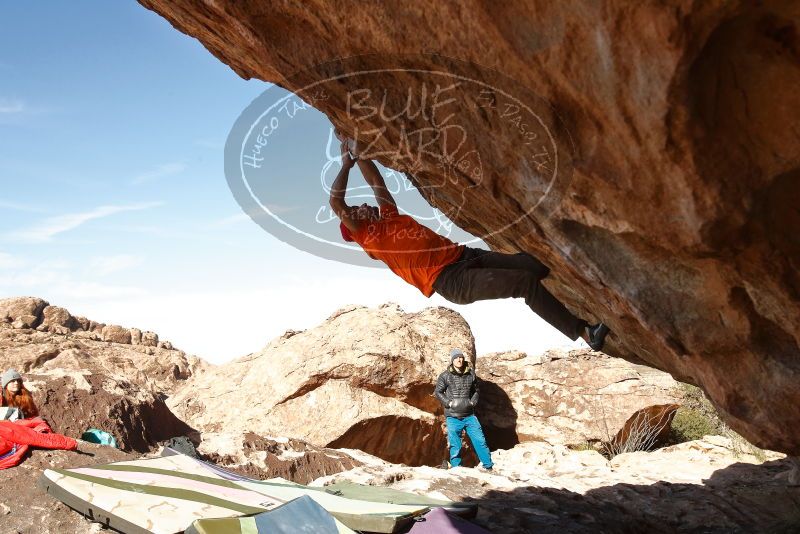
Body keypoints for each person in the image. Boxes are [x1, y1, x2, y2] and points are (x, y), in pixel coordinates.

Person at [328, 131, 611, 351]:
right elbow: (336, 201)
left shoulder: (388, 215)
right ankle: (586, 334)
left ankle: (576, 302)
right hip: (450, 281)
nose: (362, 205)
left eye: (360, 204)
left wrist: (355, 148)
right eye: (355, 211)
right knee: (524, 284)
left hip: (465, 255)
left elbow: (376, 180)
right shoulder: (369, 240)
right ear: (353, 228)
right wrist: (345, 166)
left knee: (533, 265)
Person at [434, 348, 492, 470]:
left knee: (480, 440)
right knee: (455, 445)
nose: (459, 360)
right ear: (452, 360)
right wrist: (448, 403)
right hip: (453, 416)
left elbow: (476, 391)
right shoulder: (445, 375)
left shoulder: (471, 374)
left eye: (461, 357)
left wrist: (472, 402)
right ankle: (456, 468)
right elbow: (438, 392)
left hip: (469, 415)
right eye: (456, 358)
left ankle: (488, 466)